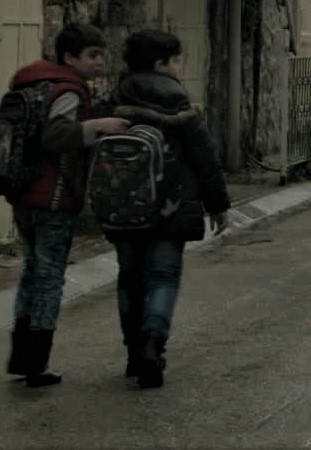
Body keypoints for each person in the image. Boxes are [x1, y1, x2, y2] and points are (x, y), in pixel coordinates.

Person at [102, 30, 231, 389]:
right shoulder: (178, 102)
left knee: (129, 277)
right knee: (162, 276)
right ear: (161, 64)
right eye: (176, 60)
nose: (179, 67)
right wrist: (217, 205)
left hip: (123, 208)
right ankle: (152, 343)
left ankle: (133, 352)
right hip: (170, 207)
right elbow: (204, 158)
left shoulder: (113, 99)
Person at [6, 22, 128, 388]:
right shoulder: (68, 90)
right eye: (92, 55)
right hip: (53, 196)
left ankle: (21, 356)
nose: (99, 62)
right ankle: (36, 362)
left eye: (101, 55)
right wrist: (98, 126)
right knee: (48, 277)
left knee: (32, 271)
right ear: (69, 57)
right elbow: (55, 136)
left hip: (25, 192)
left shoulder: (33, 83)